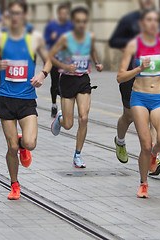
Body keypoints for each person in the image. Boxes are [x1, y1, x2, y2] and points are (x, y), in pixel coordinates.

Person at [0, 0, 52, 200]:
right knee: (11, 147)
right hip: (5, 98)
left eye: (18, 13)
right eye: (11, 14)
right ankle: (14, 184)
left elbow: (49, 60)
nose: (15, 17)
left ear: (25, 16)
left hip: (27, 98)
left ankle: (23, 144)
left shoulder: (34, 38)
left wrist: (42, 74)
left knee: (30, 143)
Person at [117, 9, 160, 198]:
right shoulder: (133, 45)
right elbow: (120, 77)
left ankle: (154, 154)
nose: (153, 24)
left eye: (156, 21)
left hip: (159, 98)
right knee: (145, 144)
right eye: (149, 21)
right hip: (139, 98)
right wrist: (138, 69)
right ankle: (143, 183)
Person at [108, 0, 160, 176]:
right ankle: (120, 141)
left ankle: (153, 157)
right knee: (129, 116)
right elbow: (114, 41)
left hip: (154, 76)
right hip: (132, 75)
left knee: (153, 118)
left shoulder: (158, 21)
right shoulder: (129, 20)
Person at [49, 7, 103, 168]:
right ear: (73, 22)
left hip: (83, 80)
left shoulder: (90, 37)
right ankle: (60, 118)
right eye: (78, 21)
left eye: (84, 22)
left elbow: (92, 50)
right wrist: (65, 65)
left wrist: (97, 62)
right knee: (68, 125)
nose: (81, 24)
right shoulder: (65, 38)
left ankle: (77, 155)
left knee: (84, 118)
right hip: (67, 80)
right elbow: (51, 56)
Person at [44, 3, 73, 118]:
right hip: (55, 60)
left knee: (65, 83)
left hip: (67, 59)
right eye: (61, 13)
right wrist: (51, 38)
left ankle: (64, 107)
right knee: (55, 83)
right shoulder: (51, 26)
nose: (63, 15)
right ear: (58, 14)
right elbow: (45, 40)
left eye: (65, 13)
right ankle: (54, 104)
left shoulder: (70, 26)